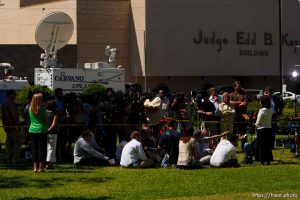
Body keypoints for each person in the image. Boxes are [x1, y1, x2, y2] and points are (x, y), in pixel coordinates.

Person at [28, 93, 49, 173]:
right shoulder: (42, 109)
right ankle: (41, 167)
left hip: (32, 130)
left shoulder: (30, 108)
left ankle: (35, 168)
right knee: (42, 149)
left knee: (34, 149)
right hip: (41, 130)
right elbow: (46, 120)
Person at [1, 90, 22, 163]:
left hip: (6, 126)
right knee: (18, 142)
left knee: (9, 143)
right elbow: (14, 114)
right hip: (13, 125)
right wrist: (18, 123)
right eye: (15, 95)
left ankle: (9, 158)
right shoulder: (11, 103)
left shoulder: (4, 103)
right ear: (10, 95)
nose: (15, 96)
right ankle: (14, 159)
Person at [255, 95, 273, 165]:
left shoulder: (261, 110)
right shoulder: (270, 110)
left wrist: (255, 124)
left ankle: (262, 161)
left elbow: (258, 122)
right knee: (268, 146)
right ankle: (268, 160)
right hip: (269, 129)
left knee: (261, 146)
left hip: (261, 130)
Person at [230, 81, 248, 150]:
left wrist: (237, 104)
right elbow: (230, 102)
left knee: (243, 132)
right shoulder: (231, 95)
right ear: (234, 87)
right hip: (234, 115)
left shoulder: (244, 94)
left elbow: (245, 103)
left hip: (243, 115)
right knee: (233, 132)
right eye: (238, 86)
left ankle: (244, 147)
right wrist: (239, 102)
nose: (240, 87)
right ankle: (232, 147)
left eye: (240, 86)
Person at [46, 96, 58, 170]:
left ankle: (46, 163)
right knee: (51, 148)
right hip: (52, 132)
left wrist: (46, 130)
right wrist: (49, 130)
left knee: (46, 148)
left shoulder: (44, 113)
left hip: (44, 132)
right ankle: (49, 163)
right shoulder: (55, 114)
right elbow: (54, 124)